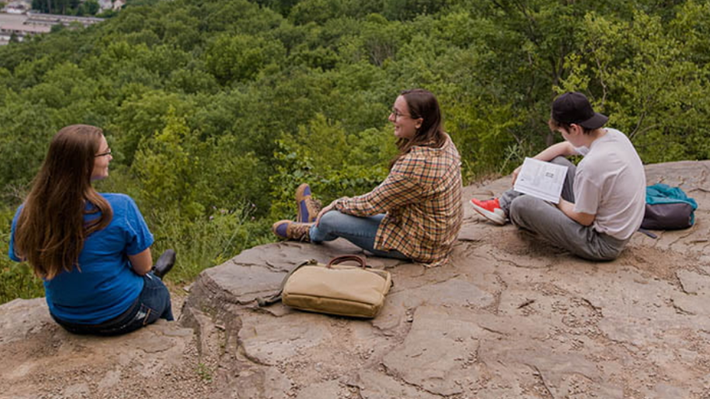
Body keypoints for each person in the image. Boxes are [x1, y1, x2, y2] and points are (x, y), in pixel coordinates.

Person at [9, 124, 176, 336]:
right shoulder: (121, 207)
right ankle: (171, 332)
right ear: (85, 164)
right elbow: (142, 267)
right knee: (157, 289)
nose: (111, 157)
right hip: (120, 315)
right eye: (105, 153)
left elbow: (20, 256)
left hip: (66, 318)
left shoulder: (27, 213)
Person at [272, 89, 464, 266]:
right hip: (434, 233)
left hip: (420, 245)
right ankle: (314, 220)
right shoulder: (443, 141)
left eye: (397, 114)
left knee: (331, 219)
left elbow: (371, 204)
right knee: (344, 212)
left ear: (419, 122)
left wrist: (337, 204)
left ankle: (311, 230)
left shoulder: (417, 164)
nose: (391, 118)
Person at [471, 92, 646, 261]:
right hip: (616, 224)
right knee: (558, 162)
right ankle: (501, 206)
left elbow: (585, 219)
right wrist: (527, 165)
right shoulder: (613, 135)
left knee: (521, 206)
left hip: (602, 242)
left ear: (574, 128)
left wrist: (556, 200)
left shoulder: (592, 165)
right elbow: (564, 148)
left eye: (562, 131)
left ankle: (510, 207)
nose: (563, 136)